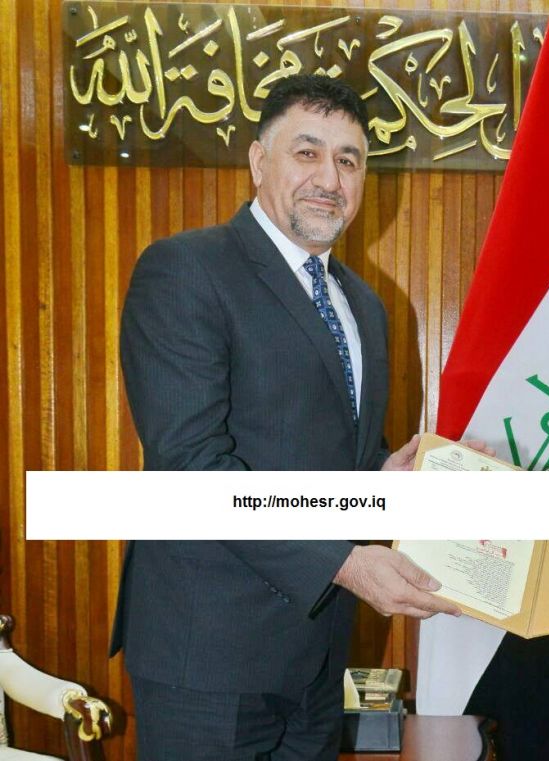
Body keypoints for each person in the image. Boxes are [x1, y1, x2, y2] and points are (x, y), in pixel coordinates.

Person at [113, 74, 461, 761]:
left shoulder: (365, 306)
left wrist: (387, 475)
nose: (329, 178)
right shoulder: (186, 270)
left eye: (348, 160)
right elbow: (191, 467)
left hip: (316, 657)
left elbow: (339, 460)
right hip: (207, 657)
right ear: (258, 160)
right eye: (307, 153)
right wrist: (344, 562)